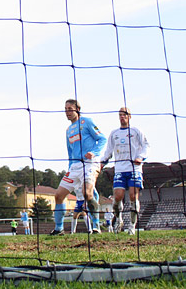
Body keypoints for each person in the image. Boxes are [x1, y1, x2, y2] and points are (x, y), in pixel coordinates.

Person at [50, 99, 106, 236]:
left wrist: (94, 152)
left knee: (87, 194)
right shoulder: (68, 130)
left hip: (89, 163)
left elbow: (102, 138)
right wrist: (70, 167)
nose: (67, 112)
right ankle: (59, 229)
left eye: (70, 109)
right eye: (65, 109)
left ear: (77, 110)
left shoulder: (87, 122)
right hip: (74, 167)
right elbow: (70, 152)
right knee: (58, 195)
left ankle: (96, 227)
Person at [101, 107, 150, 235]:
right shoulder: (114, 133)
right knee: (117, 197)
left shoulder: (136, 131)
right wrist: (102, 162)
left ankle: (132, 227)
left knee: (133, 196)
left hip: (134, 168)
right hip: (120, 169)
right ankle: (118, 219)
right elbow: (108, 151)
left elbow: (146, 145)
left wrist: (141, 157)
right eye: (120, 115)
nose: (122, 117)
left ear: (129, 116)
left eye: (125, 114)